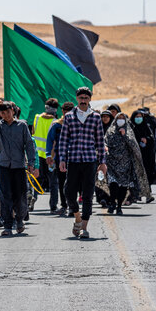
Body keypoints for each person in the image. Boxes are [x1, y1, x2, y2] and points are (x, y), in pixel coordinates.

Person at [0, 99, 36, 236]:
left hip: (18, 165)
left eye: (8, 112)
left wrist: (31, 163)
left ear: (13, 111)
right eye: (3, 113)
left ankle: (19, 220)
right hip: (3, 166)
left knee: (20, 195)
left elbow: (29, 144)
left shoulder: (22, 125)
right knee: (5, 196)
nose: (6, 115)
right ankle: (7, 225)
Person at [58, 87, 107, 239]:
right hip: (73, 160)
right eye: (81, 98)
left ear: (90, 99)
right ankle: (77, 217)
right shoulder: (69, 117)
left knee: (87, 194)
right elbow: (64, 140)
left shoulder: (95, 117)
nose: (84, 100)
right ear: (77, 99)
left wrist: (102, 162)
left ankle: (84, 227)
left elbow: (100, 141)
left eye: (86, 97)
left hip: (89, 161)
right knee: (69, 192)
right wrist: (62, 159)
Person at [102, 113, 151, 215]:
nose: (120, 120)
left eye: (122, 119)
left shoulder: (129, 132)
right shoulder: (110, 131)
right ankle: (112, 204)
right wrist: (105, 147)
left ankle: (119, 206)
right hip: (112, 163)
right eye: (118, 118)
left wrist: (125, 136)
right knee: (113, 185)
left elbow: (134, 146)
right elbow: (105, 141)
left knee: (123, 187)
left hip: (125, 165)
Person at [45, 102, 74, 217]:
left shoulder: (77, 123)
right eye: (65, 110)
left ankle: (73, 206)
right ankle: (64, 205)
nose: (66, 113)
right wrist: (49, 155)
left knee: (73, 182)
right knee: (62, 182)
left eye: (69, 110)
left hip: (74, 157)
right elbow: (49, 140)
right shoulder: (57, 125)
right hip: (60, 157)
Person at [33, 98, 59, 212]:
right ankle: (53, 206)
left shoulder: (37, 118)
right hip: (50, 156)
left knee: (37, 179)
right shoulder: (55, 122)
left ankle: (32, 199)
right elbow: (55, 140)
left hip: (37, 155)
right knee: (53, 182)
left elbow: (33, 132)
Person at [130, 110, 156, 203]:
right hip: (135, 155)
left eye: (140, 116)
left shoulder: (146, 127)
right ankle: (136, 195)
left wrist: (147, 140)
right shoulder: (131, 128)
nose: (138, 118)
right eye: (136, 117)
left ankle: (147, 194)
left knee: (146, 175)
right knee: (136, 175)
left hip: (146, 156)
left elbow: (152, 139)